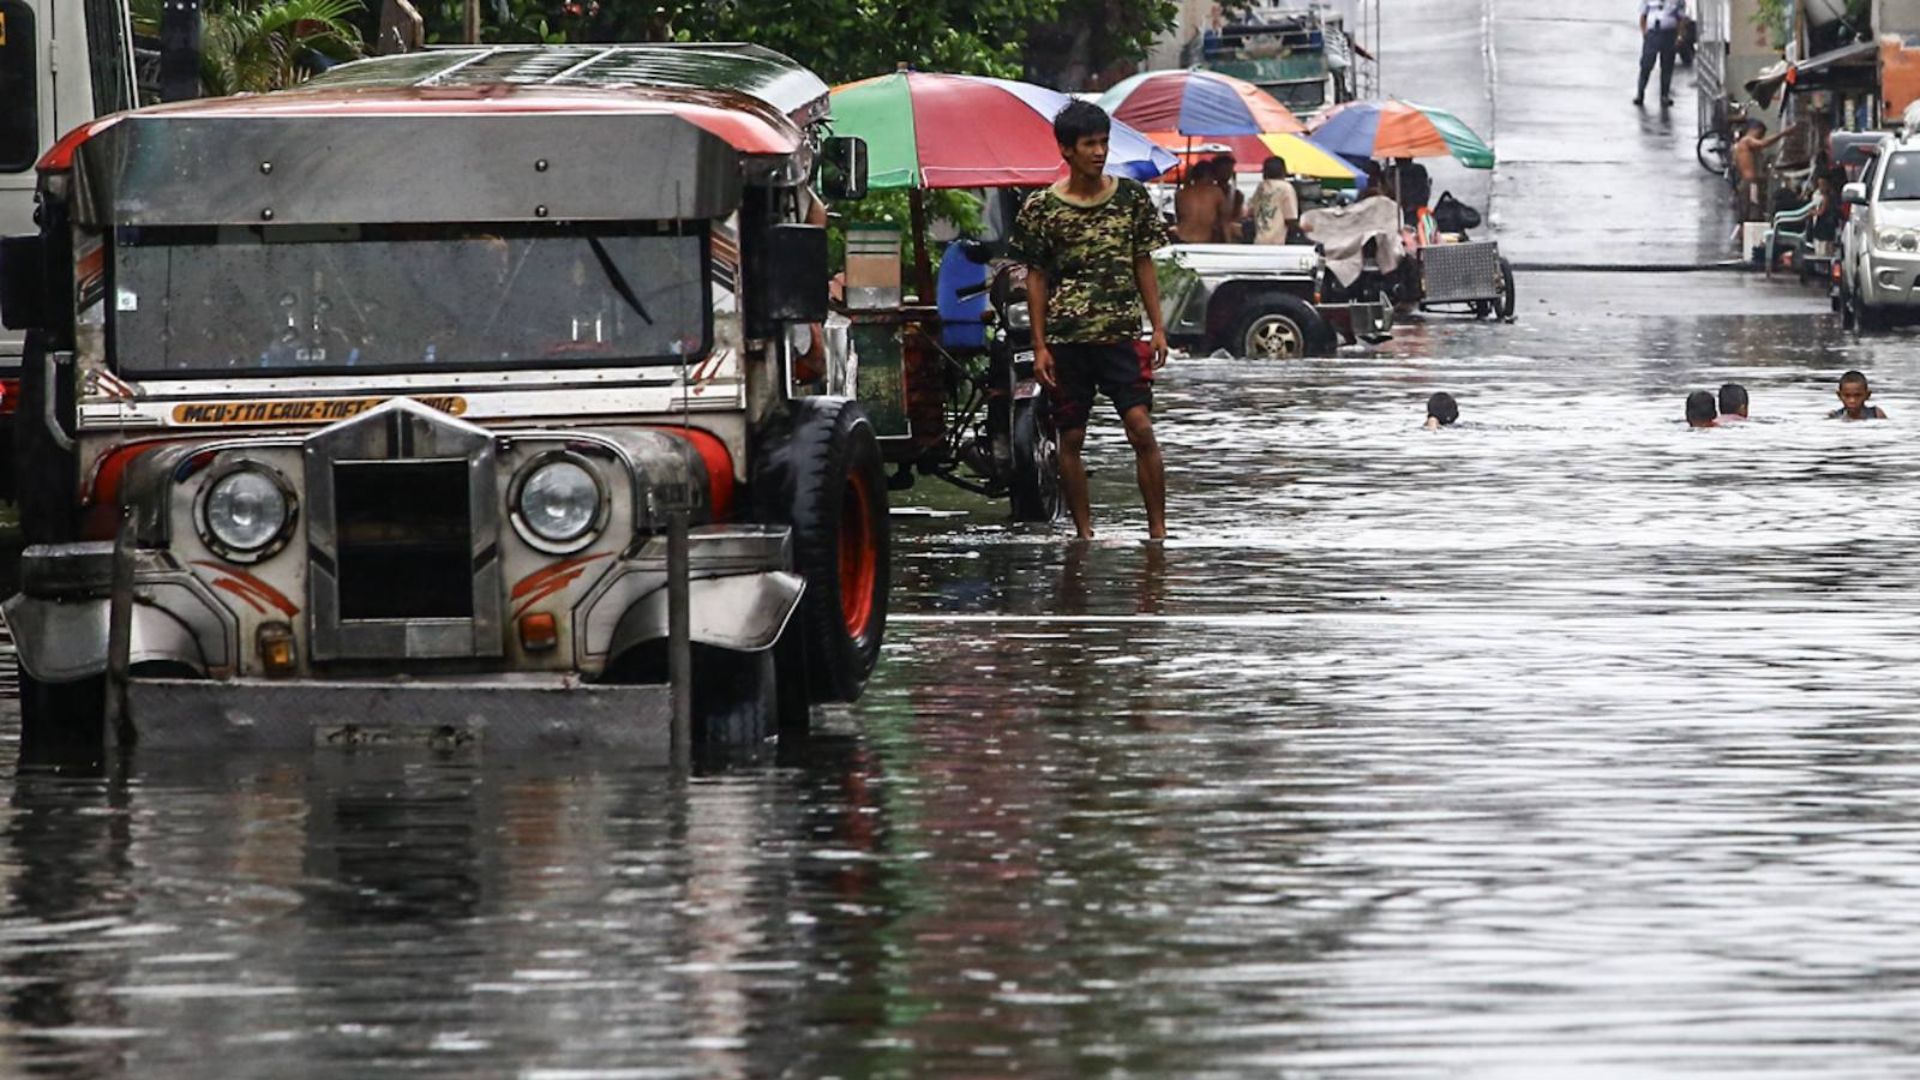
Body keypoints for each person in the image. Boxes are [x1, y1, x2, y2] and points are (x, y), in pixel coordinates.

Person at [1011, 100, 1172, 540]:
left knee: (1141, 428)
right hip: (1067, 340)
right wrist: (1039, 345)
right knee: (1071, 438)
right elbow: (1036, 278)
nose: (1099, 152)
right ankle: (1084, 535)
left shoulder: (1131, 198)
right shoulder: (1042, 208)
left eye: (1104, 142)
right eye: (1089, 144)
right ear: (1067, 150)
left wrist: (1158, 328)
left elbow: (1143, 262)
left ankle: (1158, 533)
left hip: (1121, 334)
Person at [1733, 119, 1795, 223]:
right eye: (1760, 134)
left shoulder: (1742, 145)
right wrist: (1783, 134)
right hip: (1750, 183)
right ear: (1754, 130)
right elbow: (1763, 143)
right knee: (1752, 212)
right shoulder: (1746, 140)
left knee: (1749, 212)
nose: (1761, 137)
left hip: (1748, 182)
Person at [1635, 0, 1686, 108]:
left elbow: (1681, 19)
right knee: (1646, 65)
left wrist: (1679, 36)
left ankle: (1664, 95)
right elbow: (1643, 15)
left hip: (1669, 34)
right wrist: (1645, 33)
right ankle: (1640, 94)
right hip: (1653, 34)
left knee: (1667, 66)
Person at [1246, 156, 1300, 245]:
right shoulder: (1286, 188)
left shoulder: (1261, 187)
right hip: (1277, 242)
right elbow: (1290, 219)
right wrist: (1303, 229)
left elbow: (1250, 211)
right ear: (1284, 171)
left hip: (1259, 241)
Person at [1174, 159, 1228, 244]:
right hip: (1203, 240)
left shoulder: (1180, 194)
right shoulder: (1216, 192)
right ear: (1210, 175)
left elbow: (1179, 218)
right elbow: (1224, 220)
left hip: (1182, 238)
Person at [1390, 157, 1431, 226]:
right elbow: (1424, 193)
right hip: (1415, 212)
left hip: (1395, 212)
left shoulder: (1389, 172)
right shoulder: (1419, 170)